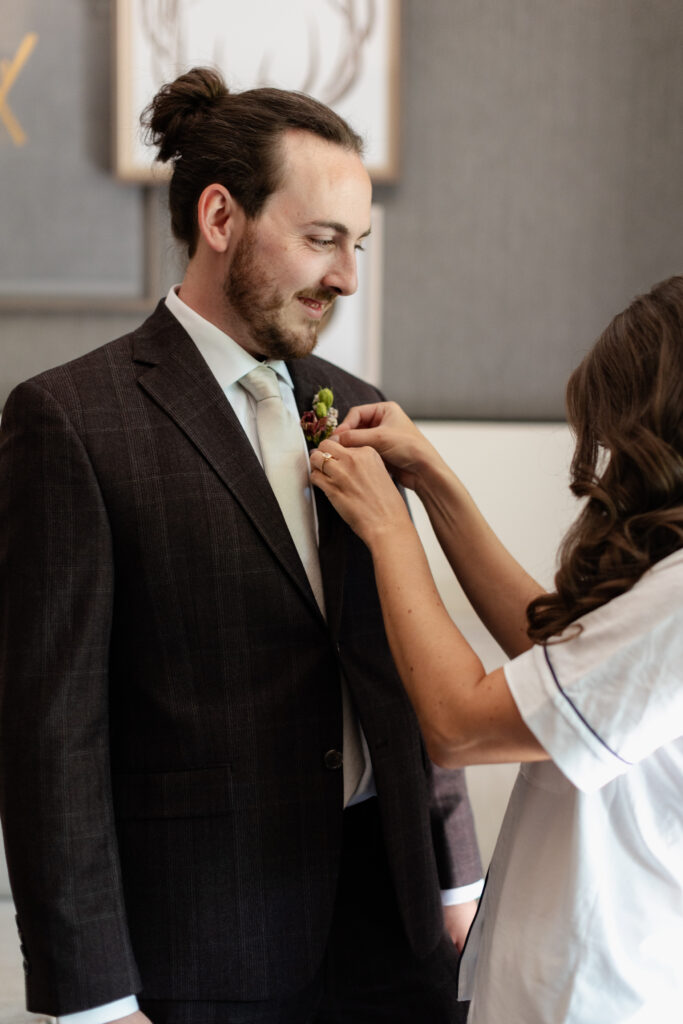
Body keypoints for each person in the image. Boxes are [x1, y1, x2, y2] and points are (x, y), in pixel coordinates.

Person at [0, 68, 483, 1024]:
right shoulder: (68, 420)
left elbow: (392, 655)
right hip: (201, 944)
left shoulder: (351, 402)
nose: (346, 275)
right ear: (220, 218)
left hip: (394, 930)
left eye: (358, 245)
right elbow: (49, 735)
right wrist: (92, 996)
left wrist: (453, 879)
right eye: (320, 240)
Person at [309, 274, 683, 1023]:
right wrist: (435, 483)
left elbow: (460, 724)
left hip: (597, 995)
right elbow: (558, 659)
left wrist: (390, 529)